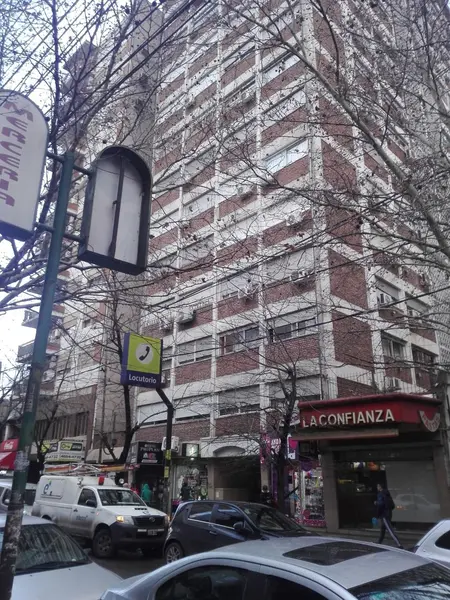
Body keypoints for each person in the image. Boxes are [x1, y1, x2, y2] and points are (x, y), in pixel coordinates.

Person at [375, 483, 403, 548]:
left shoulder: (380, 494)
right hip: (388, 513)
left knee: (390, 530)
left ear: (380, 487)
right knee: (383, 529)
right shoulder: (387, 493)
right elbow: (392, 505)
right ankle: (379, 542)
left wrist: (377, 504)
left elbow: (380, 504)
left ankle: (399, 544)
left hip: (384, 514)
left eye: (378, 486)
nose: (377, 487)